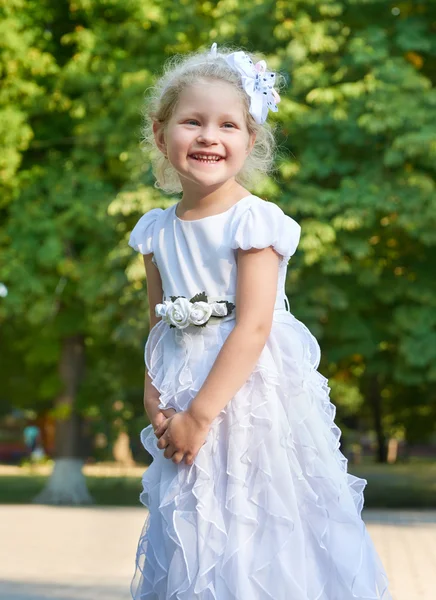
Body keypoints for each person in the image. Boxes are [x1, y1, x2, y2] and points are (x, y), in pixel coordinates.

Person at [128, 43, 392, 600]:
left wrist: (199, 416)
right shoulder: (155, 231)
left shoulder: (254, 222)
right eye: (192, 121)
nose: (208, 136)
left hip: (249, 400)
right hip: (181, 391)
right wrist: (155, 400)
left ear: (250, 142)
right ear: (160, 133)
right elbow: (156, 323)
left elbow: (253, 327)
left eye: (228, 125)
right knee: (195, 522)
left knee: (256, 519)